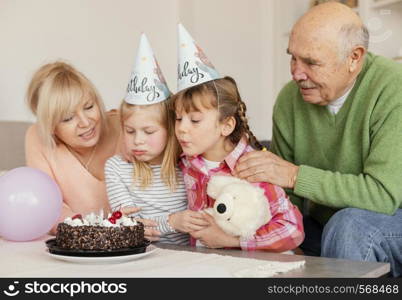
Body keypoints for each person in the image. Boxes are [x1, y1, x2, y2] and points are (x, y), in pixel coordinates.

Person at [234, 2, 402, 276]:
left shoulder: (394, 88)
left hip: (391, 217)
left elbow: (382, 196)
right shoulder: (289, 100)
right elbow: (287, 198)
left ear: (354, 58)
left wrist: (295, 176)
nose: (296, 73)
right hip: (325, 223)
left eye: (311, 62)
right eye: (293, 57)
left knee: (349, 226)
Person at [173, 24, 304, 251]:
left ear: (226, 125)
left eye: (194, 120)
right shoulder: (185, 161)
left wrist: (233, 242)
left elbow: (292, 230)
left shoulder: (252, 168)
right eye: (177, 119)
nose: (182, 129)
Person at [105, 34, 208, 244]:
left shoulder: (190, 164)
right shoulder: (116, 168)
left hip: (190, 256)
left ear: (170, 128)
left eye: (149, 132)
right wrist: (172, 222)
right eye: (130, 131)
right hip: (142, 255)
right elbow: (132, 227)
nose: (138, 141)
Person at [25, 61, 140, 234]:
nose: (86, 123)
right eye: (68, 118)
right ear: (50, 126)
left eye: (89, 107)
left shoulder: (130, 127)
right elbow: (48, 210)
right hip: (86, 247)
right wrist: (93, 234)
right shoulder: (39, 138)